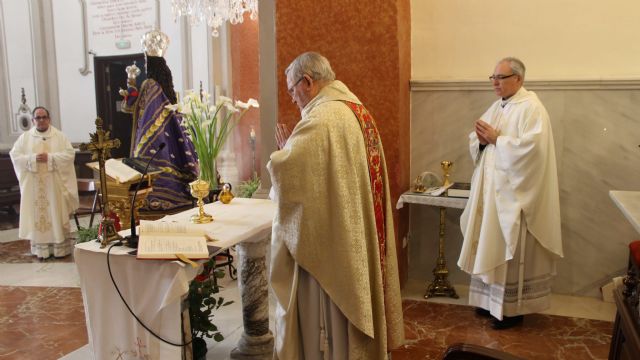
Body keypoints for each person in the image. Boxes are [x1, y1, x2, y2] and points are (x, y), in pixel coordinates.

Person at [268, 52, 404, 359]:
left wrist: (287, 149)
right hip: (352, 236)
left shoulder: (321, 120)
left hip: (331, 255)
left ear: (308, 82)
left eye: (292, 90)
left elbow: (290, 174)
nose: (292, 99)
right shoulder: (356, 110)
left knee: (327, 332)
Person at [457, 57, 563, 329]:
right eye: (492, 76)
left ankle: (512, 310)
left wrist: (496, 140)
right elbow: (480, 140)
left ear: (518, 79)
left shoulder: (532, 108)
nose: (495, 82)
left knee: (508, 250)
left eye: (501, 77)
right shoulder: (497, 106)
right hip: (491, 194)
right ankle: (488, 303)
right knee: (488, 243)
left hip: (514, 197)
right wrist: (480, 142)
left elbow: (533, 151)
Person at [121, 29, 197, 211]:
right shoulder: (165, 87)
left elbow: (141, 110)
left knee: (150, 168)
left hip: (152, 136)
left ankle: (152, 196)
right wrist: (131, 83)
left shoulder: (150, 84)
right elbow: (136, 106)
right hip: (168, 135)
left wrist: (141, 144)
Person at [10, 106, 79, 259]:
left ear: (49, 119)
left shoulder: (59, 136)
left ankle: (60, 249)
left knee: (55, 212)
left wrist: (51, 158)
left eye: (44, 117)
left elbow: (69, 154)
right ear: (33, 120)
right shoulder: (25, 138)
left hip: (54, 186)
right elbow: (15, 155)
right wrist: (33, 159)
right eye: (38, 118)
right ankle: (40, 250)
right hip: (34, 186)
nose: (41, 120)